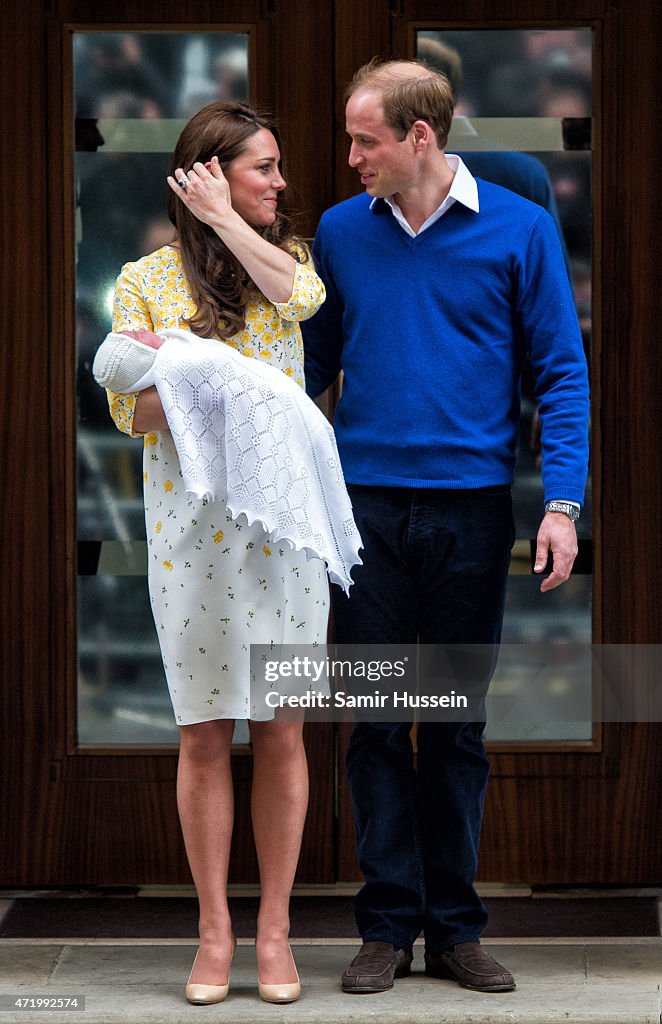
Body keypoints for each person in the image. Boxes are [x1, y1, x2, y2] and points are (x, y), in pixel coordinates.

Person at [302, 59, 590, 995]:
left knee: (456, 725)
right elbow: (306, 367)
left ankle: (456, 929)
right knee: (378, 726)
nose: (350, 159)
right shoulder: (343, 235)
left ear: (419, 138)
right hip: (364, 514)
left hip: (472, 513)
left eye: (364, 141)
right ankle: (386, 926)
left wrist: (561, 503)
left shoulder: (522, 228)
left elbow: (562, 374)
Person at [104, 100, 330, 1006]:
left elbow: (298, 301)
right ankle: (214, 932)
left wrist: (195, 372)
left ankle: (274, 931)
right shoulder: (144, 280)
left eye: (276, 168)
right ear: (206, 171)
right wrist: (238, 393)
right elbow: (135, 410)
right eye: (261, 167)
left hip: (283, 537)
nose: (280, 182)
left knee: (281, 730)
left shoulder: (289, 260)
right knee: (202, 733)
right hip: (189, 544)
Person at [93, 326, 361, 591]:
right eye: (134, 337)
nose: (137, 329)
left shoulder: (177, 350)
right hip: (268, 418)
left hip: (285, 402)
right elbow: (218, 376)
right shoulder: (176, 364)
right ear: (141, 355)